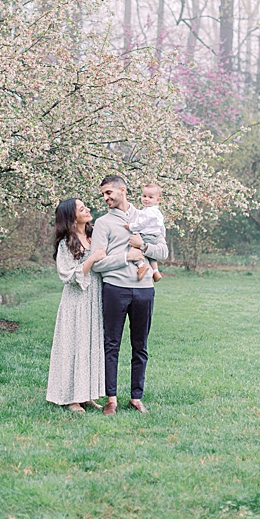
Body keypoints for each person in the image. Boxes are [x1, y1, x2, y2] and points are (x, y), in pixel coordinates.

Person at [90, 174, 168, 414]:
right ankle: (111, 399)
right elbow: (96, 264)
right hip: (115, 289)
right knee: (111, 344)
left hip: (144, 290)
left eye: (108, 193)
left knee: (140, 346)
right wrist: (126, 257)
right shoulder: (103, 223)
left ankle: (136, 397)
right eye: (103, 194)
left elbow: (163, 252)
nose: (105, 198)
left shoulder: (148, 214)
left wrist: (143, 247)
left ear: (121, 190)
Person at [46, 198, 108, 413]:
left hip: (95, 297)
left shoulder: (94, 236)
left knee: (91, 344)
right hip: (76, 301)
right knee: (74, 346)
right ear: (72, 219)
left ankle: (87, 394)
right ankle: (71, 397)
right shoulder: (66, 243)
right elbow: (67, 275)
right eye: (82, 209)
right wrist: (91, 260)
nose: (88, 209)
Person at [125, 182, 165, 283]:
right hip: (155, 236)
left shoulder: (147, 212)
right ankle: (156, 272)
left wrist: (130, 227)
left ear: (158, 200)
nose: (146, 199)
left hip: (146, 236)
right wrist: (162, 236)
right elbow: (161, 226)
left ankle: (141, 265)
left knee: (133, 248)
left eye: (150, 197)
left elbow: (140, 224)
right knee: (151, 255)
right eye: (144, 196)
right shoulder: (158, 212)